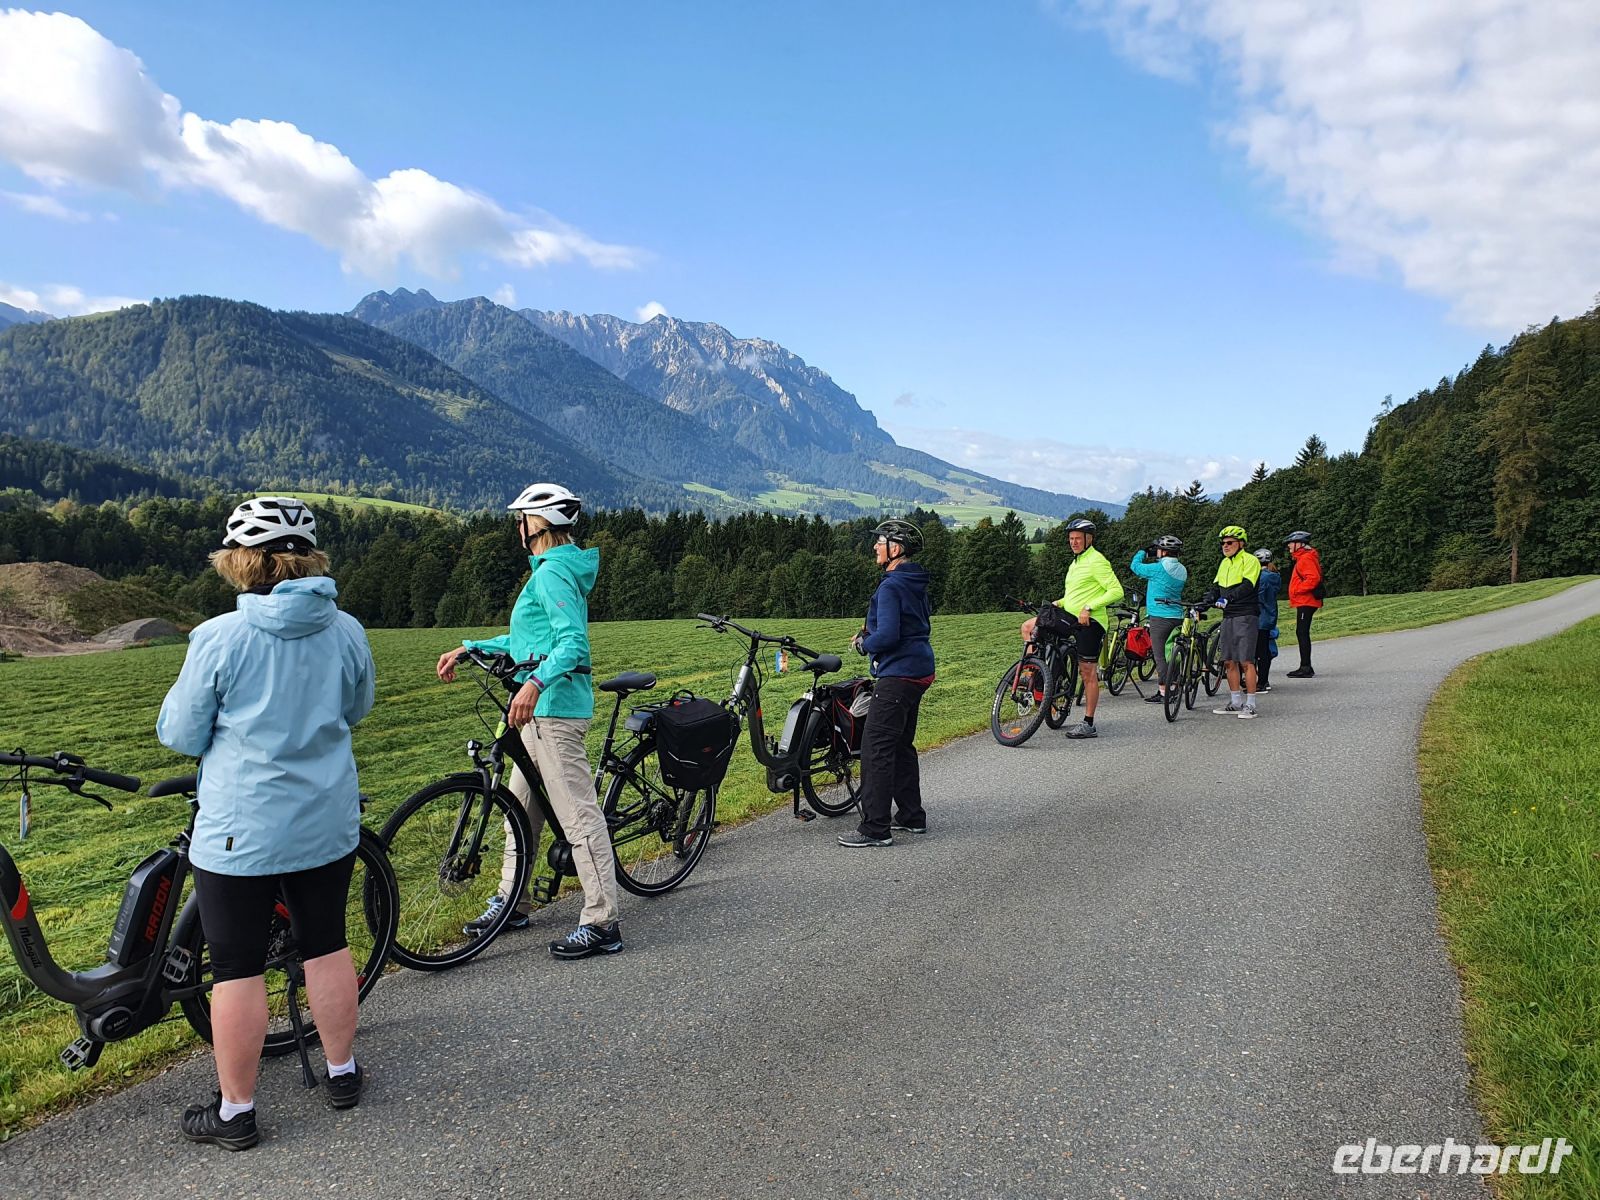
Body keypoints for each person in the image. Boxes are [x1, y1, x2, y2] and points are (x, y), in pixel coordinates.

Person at [157, 497, 376, 1150]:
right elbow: (357, 708)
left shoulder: (219, 638)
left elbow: (180, 733)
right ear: (309, 559)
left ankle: (238, 1112)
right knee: (327, 944)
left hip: (240, 831)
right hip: (326, 819)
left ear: (240, 562)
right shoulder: (347, 630)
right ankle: (342, 1074)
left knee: (236, 967)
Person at [434, 483, 622, 960]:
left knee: (578, 817)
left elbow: (572, 643)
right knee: (519, 813)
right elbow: (529, 641)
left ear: (534, 524)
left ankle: (602, 922)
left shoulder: (553, 572)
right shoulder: (549, 570)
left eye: (520, 520)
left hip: (555, 711)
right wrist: (472, 647)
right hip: (537, 714)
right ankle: (511, 902)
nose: (516, 528)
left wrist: (535, 683)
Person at [839, 519, 934, 848]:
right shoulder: (914, 581)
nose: (875, 547)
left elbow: (890, 635)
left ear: (896, 548)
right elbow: (913, 625)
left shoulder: (891, 586)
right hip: (920, 670)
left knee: (875, 748)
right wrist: (872, 633)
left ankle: (875, 828)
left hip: (898, 675)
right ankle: (911, 815)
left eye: (880, 542)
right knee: (901, 744)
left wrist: (865, 643)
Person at [1022, 517, 1124, 739]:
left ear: (1089, 539)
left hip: (1091, 622)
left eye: (1078, 538)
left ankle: (1088, 723)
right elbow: (1075, 594)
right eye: (1071, 538)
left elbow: (1117, 591)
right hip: (1071, 616)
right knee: (1030, 626)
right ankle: (1034, 675)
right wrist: (1059, 602)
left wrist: (1089, 607)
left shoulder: (1097, 560)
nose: (1074, 542)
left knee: (1087, 672)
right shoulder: (1075, 562)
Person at [1201, 525, 1262, 719]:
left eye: (1229, 543)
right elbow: (1216, 588)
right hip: (1228, 616)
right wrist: (1205, 602)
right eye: (1223, 543)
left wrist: (1228, 598)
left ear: (1241, 544)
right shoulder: (1224, 563)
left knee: (1246, 661)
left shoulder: (1250, 560)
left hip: (1246, 614)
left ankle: (1250, 704)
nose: (1225, 546)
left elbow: (1247, 585)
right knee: (1228, 661)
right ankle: (1236, 702)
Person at [1129, 535, 1187, 704]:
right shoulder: (1182, 569)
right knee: (1173, 654)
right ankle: (1174, 686)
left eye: (1159, 550)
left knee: (1160, 656)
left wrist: (1142, 552)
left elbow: (1135, 567)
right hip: (1177, 616)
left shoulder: (1158, 568)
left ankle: (1164, 692)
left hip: (1160, 617)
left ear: (1164, 552)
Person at [1284, 530, 1323, 678]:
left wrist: (1297, 590)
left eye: (1291, 543)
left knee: (1302, 632)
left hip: (1306, 600)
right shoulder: (1304, 558)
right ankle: (1306, 666)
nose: (1288, 545)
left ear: (1299, 544)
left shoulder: (1306, 558)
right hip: (1305, 600)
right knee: (1301, 632)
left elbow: (1313, 579)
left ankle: (1305, 667)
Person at [1253, 549, 1281, 692]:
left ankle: (1262, 682)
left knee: (1259, 651)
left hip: (1260, 616)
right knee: (1264, 648)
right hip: (1269, 615)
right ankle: (1264, 680)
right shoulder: (1274, 576)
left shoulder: (1261, 578)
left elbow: (1258, 597)